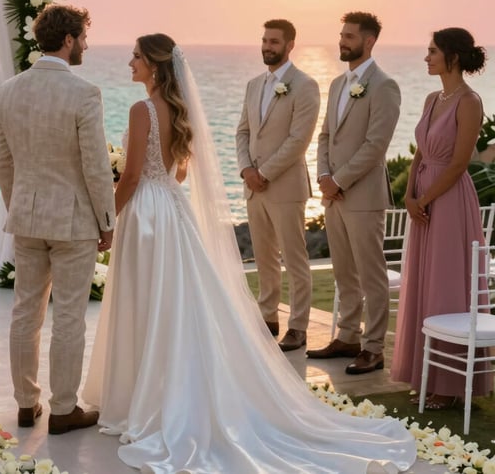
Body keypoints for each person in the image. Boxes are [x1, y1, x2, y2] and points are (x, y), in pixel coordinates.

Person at [83, 33, 415, 473]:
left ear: (155, 65)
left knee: (145, 303)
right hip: (171, 212)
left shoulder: (141, 110)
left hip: (146, 215)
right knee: (175, 306)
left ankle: (144, 395)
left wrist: (107, 220)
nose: (130, 62)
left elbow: (129, 178)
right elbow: (179, 174)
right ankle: (166, 391)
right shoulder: (178, 112)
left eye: (137, 57)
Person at [0, 3, 115, 435]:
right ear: (68, 40)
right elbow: (96, 165)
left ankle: (27, 404)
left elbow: (2, 161)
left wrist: (20, 203)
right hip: (74, 223)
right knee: (68, 315)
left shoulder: (9, 89)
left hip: (27, 218)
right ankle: (64, 408)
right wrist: (107, 220)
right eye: (82, 36)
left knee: (25, 311)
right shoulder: (84, 92)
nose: (85, 44)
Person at [391, 28, 492, 408]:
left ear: (451, 56)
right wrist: (409, 194)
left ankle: (449, 385)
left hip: (449, 200)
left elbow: (460, 162)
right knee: (422, 281)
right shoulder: (433, 98)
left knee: (446, 283)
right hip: (423, 197)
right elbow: (421, 152)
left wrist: (427, 198)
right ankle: (425, 372)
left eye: (432, 51)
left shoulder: (469, 101)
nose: (426, 57)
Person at [308, 12, 401, 375]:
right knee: (344, 273)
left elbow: (376, 145)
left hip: (363, 198)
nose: (342, 41)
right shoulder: (336, 84)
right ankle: (347, 337)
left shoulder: (385, 86)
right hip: (334, 195)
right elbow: (325, 136)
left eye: (349, 36)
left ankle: (373, 348)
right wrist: (324, 175)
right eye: (341, 34)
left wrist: (340, 180)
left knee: (370, 275)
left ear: (370, 41)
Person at [235, 19, 320, 351]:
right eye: (264, 40)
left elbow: (299, 140)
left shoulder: (305, 85)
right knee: (264, 257)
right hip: (253, 187)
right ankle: (268, 316)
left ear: (289, 45)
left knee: (295, 259)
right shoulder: (254, 84)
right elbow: (243, 131)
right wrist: (245, 170)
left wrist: (264, 173)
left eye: (274, 41)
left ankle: (298, 326)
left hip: (284, 187)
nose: (267, 46)